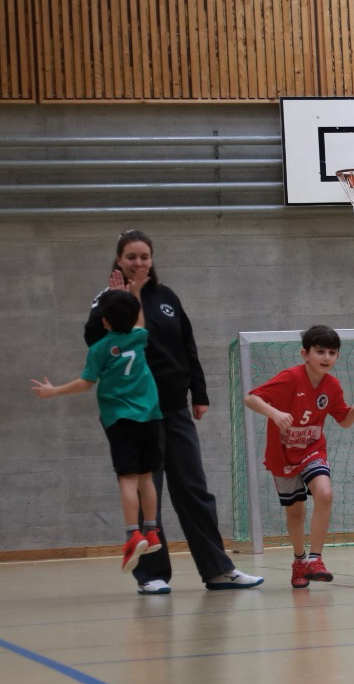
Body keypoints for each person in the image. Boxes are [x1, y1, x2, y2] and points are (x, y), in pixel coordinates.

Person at [84, 230, 261, 594]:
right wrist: (115, 302)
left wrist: (199, 392)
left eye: (144, 256)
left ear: (152, 259)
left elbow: (186, 344)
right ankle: (151, 575)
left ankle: (218, 570)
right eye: (131, 256)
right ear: (119, 260)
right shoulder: (106, 300)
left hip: (175, 409)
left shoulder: (167, 297)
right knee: (147, 492)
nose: (138, 262)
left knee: (194, 489)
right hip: (135, 415)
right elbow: (94, 341)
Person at [35, 289, 164, 574]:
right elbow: (140, 321)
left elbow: (85, 383)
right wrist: (135, 291)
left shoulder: (100, 348)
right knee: (147, 477)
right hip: (150, 417)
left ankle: (133, 535)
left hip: (120, 419)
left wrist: (53, 391)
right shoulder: (139, 337)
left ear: (104, 321)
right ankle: (152, 530)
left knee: (127, 478)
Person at [244, 326, 354, 588]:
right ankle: (299, 561)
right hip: (282, 455)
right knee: (296, 513)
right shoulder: (291, 378)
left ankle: (316, 559)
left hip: (312, 450)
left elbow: (345, 421)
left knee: (324, 493)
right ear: (305, 354)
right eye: (320, 351)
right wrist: (275, 414)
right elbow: (251, 399)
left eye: (332, 353)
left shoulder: (332, 385)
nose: (326, 357)